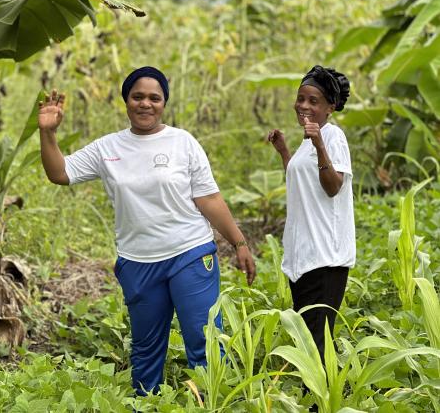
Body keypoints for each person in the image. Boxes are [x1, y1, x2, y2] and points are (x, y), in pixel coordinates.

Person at [38, 66, 256, 395]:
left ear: (164, 103)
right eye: (137, 96)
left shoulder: (183, 142)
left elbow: (209, 199)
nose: (145, 104)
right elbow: (60, 173)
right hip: (138, 261)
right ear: (126, 100)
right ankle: (147, 403)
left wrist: (239, 242)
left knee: (204, 340)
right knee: (146, 350)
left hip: (190, 253)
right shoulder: (107, 148)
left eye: (155, 98)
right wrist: (48, 134)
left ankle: (212, 401)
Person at [268, 65, 355, 361]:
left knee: (316, 346)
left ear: (331, 107)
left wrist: (319, 144)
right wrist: (284, 153)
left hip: (325, 259)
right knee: (307, 342)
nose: (304, 105)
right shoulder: (309, 142)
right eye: (300, 98)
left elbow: (333, 186)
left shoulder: (332, 137)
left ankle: (319, 405)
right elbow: (303, 185)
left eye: (313, 101)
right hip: (303, 257)